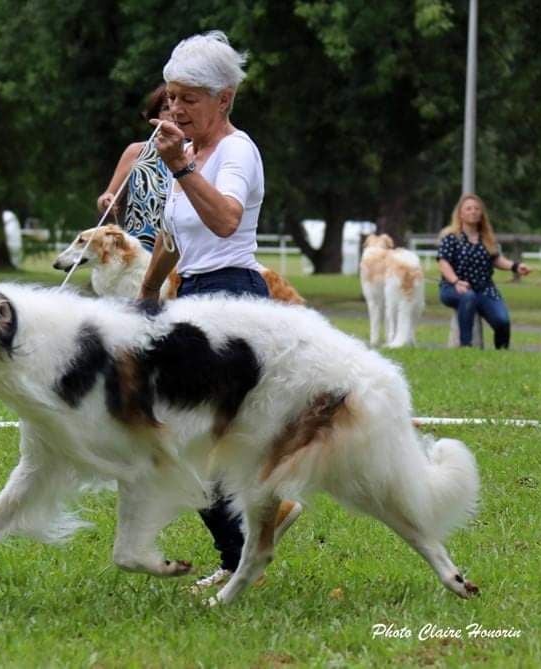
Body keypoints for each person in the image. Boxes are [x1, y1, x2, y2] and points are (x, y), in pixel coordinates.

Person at [137, 31, 300, 590]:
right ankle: (246, 543)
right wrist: (146, 296)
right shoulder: (191, 154)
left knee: (186, 436)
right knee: (183, 436)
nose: (175, 109)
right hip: (192, 298)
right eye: (172, 96)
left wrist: (181, 170)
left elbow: (227, 219)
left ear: (224, 99)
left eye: (189, 99)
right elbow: (170, 236)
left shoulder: (235, 151)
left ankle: (244, 548)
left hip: (233, 298)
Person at [437, 194, 530, 349]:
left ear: (481, 213)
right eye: (468, 208)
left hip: (485, 289)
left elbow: (496, 259)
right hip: (454, 287)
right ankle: (466, 346)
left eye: (476, 209)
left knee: (502, 321)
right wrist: (455, 281)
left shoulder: (487, 237)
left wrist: (515, 266)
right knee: (468, 296)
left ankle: (502, 352)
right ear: (460, 213)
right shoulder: (450, 237)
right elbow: (443, 262)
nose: (473, 212)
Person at [96, 85, 173, 251]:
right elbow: (108, 197)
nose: (173, 113)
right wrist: (106, 201)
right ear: (156, 115)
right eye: (166, 108)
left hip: (180, 250)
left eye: (178, 106)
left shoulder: (197, 150)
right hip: (138, 250)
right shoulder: (136, 151)